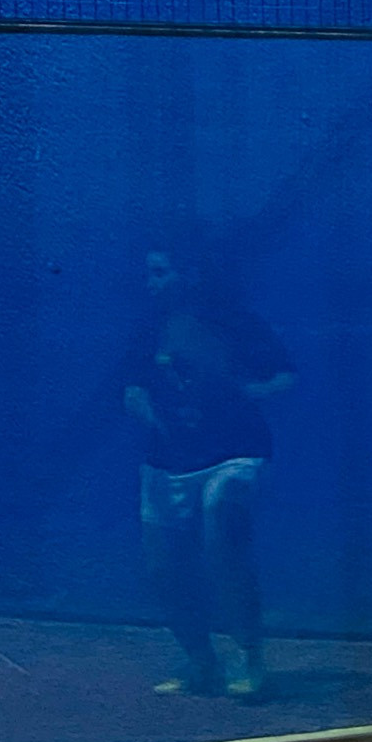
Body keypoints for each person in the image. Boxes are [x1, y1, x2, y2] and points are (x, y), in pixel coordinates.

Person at [122, 250, 294, 700]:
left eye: (160, 272)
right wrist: (151, 416)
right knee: (164, 569)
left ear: (189, 272)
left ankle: (250, 656)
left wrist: (245, 394)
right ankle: (201, 663)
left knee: (223, 522)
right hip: (166, 463)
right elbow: (133, 387)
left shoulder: (236, 320)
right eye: (148, 274)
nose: (150, 283)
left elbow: (284, 375)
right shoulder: (147, 326)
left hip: (236, 453)